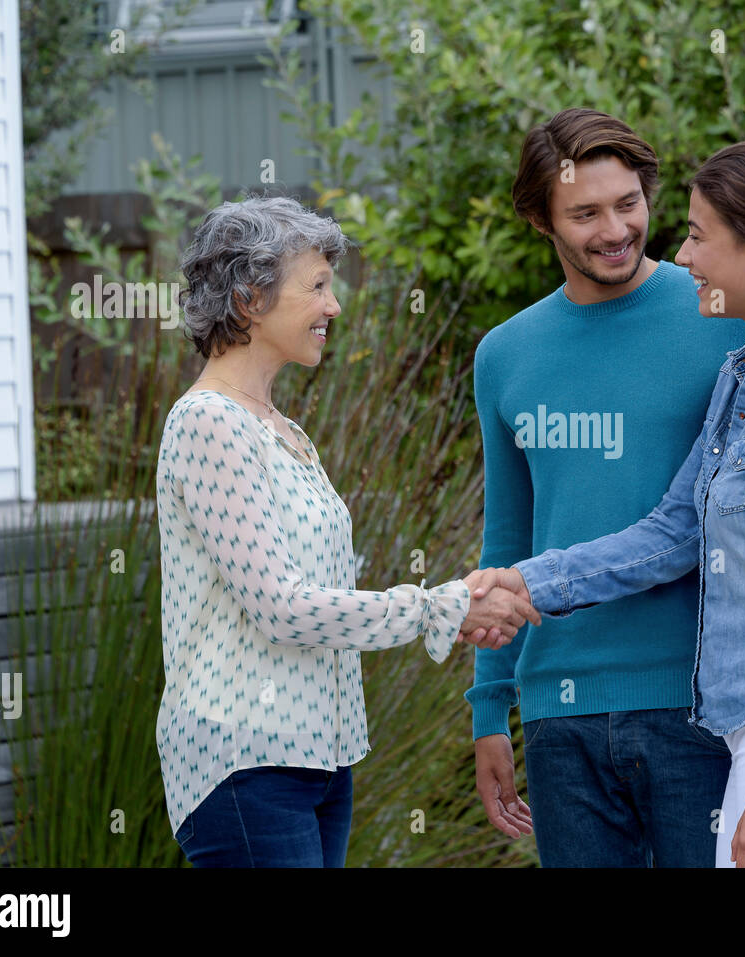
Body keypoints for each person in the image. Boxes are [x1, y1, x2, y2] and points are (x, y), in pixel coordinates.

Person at [461, 110, 745, 867]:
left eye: (630, 204)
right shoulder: (510, 356)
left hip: (706, 704)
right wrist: (490, 696)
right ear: (541, 219)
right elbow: (637, 529)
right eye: (586, 212)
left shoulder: (737, 323)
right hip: (565, 704)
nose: (622, 230)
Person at [155, 196, 537, 868]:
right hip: (244, 758)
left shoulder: (283, 430)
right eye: (318, 286)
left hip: (318, 756)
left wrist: (454, 605)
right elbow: (282, 606)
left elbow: (318, 592)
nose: (334, 307)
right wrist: (438, 605)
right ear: (249, 300)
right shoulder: (209, 423)